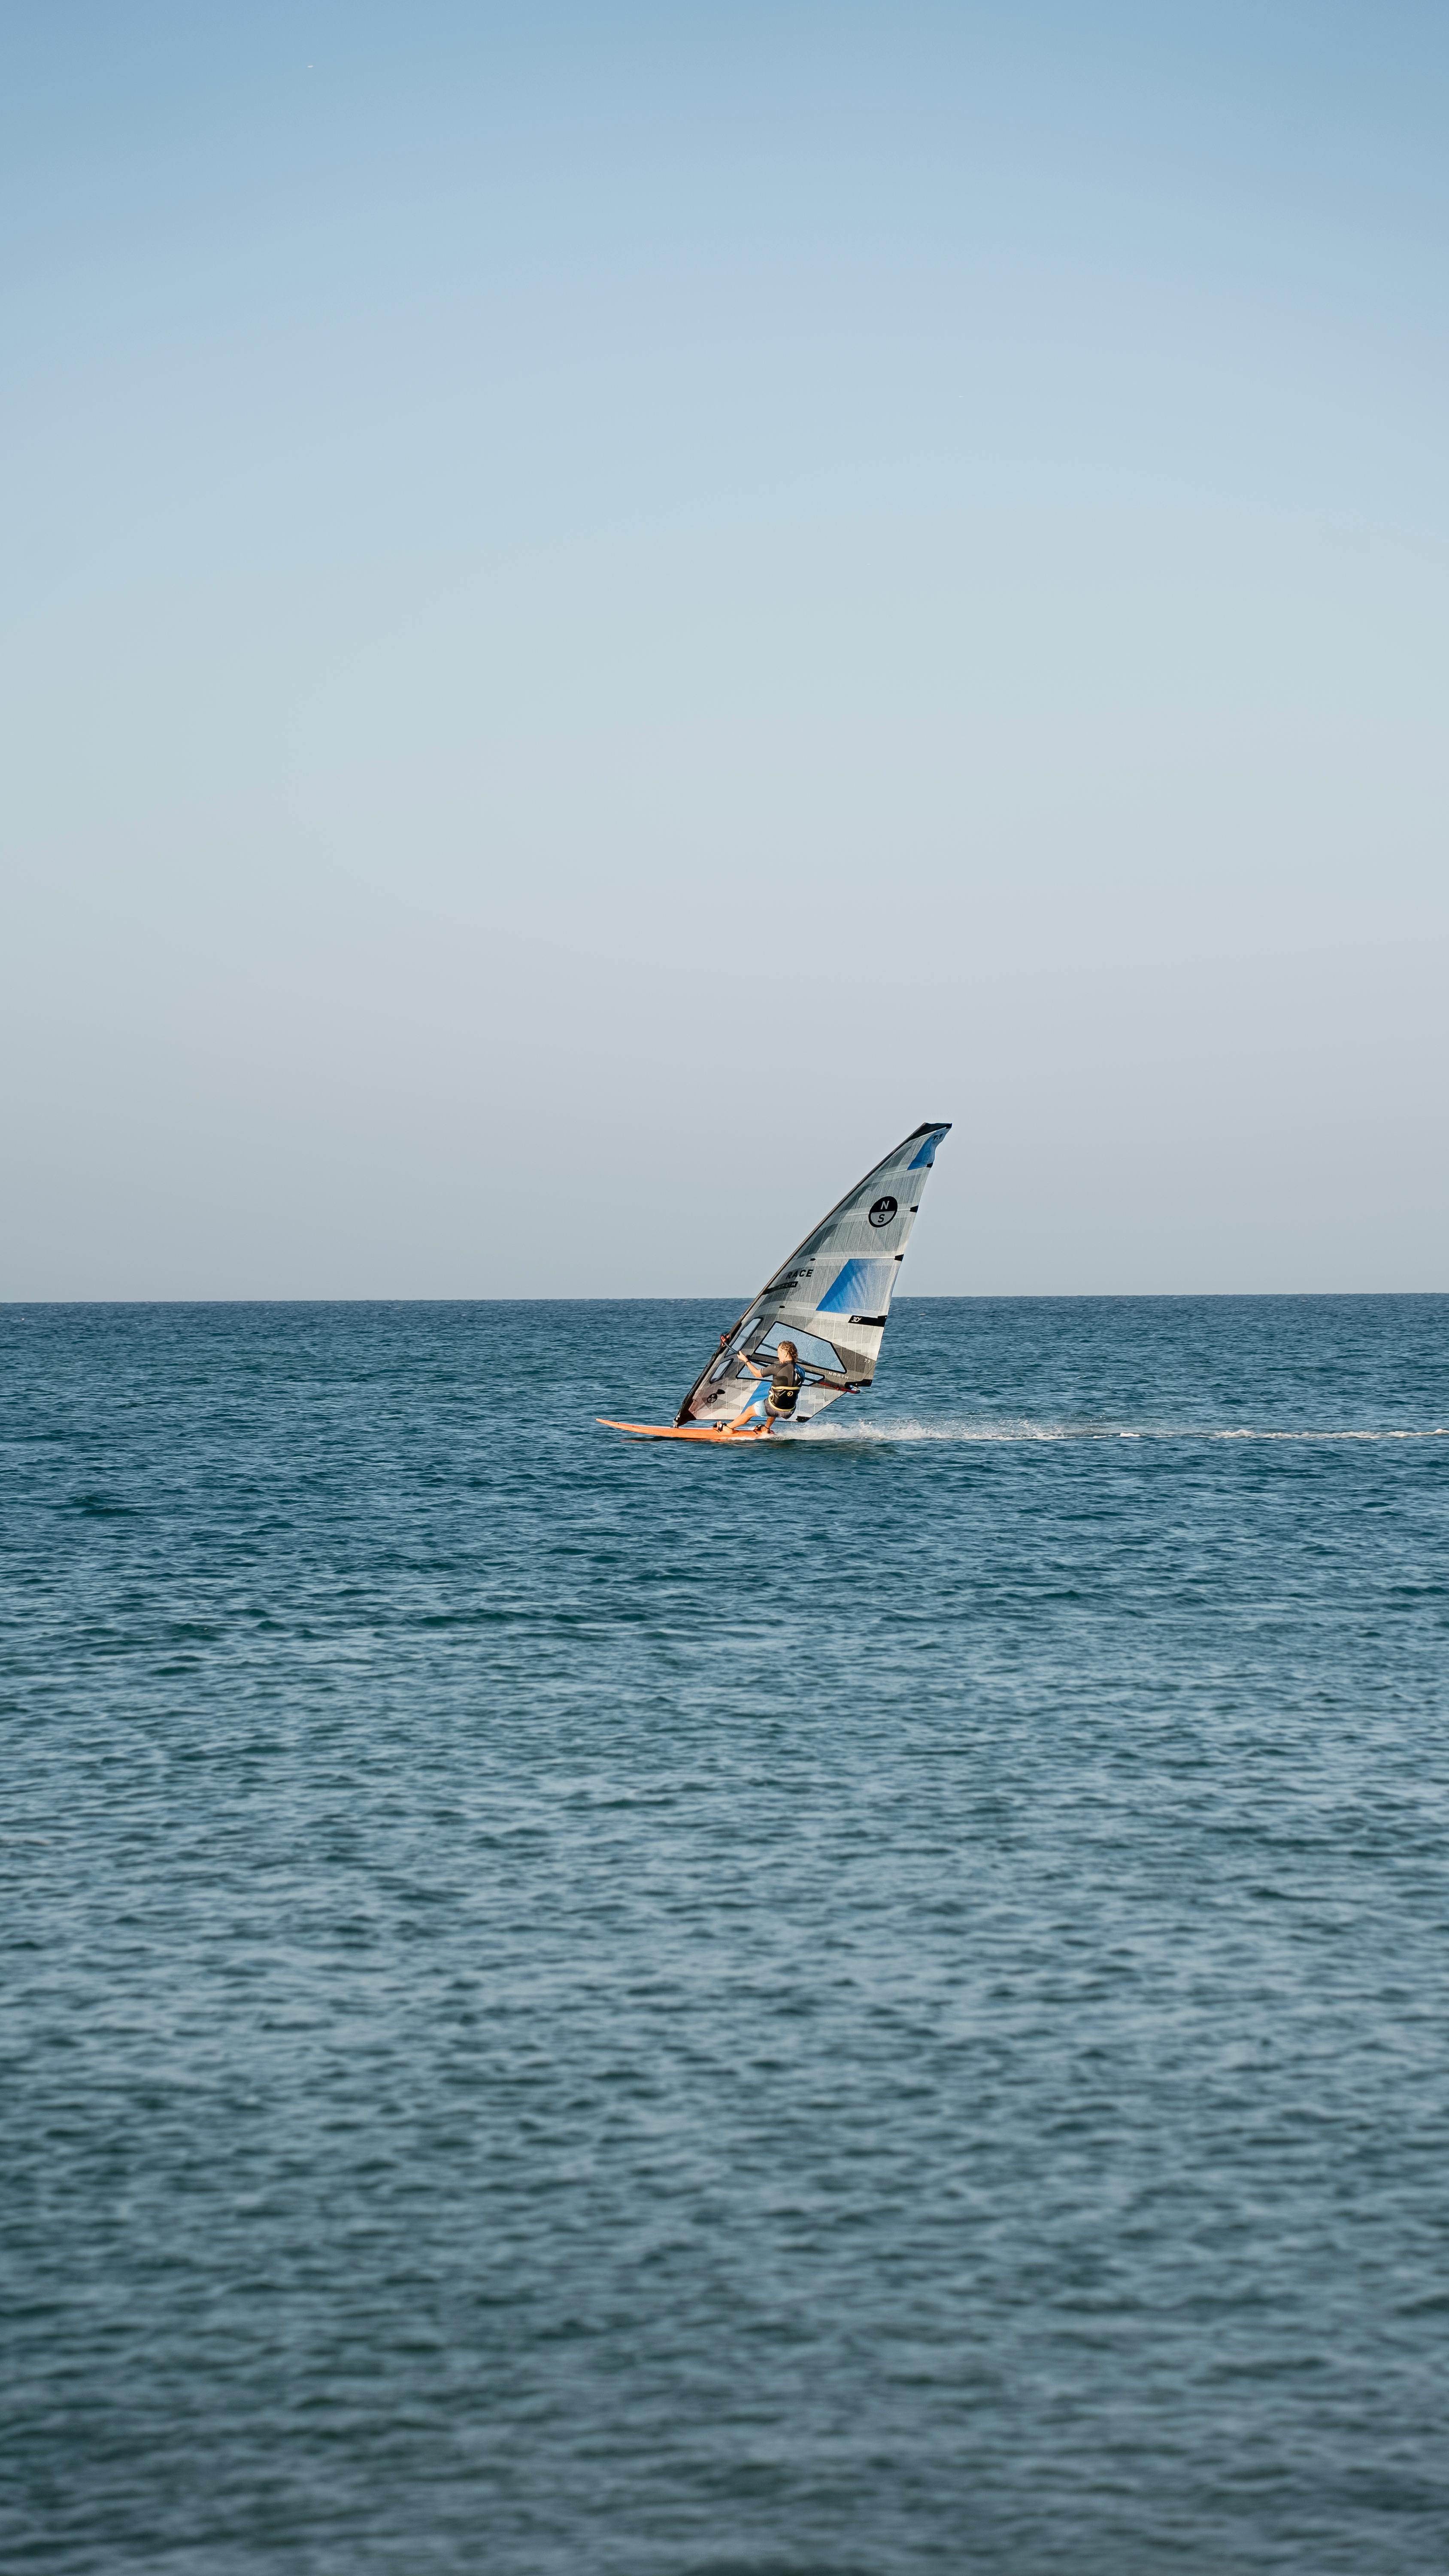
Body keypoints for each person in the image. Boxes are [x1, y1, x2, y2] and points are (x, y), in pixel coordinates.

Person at [731, 1340, 803, 1432]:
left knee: (750, 1411)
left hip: (775, 1408)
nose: (778, 1356)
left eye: (779, 1353)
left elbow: (757, 1374)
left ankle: (729, 1428)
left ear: (785, 1354)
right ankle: (766, 1428)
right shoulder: (801, 1371)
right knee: (775, 1400)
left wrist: (746, 1361)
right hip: (790, 1410)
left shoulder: (777, 1368)